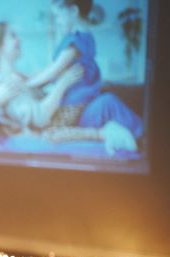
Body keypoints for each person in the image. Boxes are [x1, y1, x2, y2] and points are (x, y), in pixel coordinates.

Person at [26, 0, 142, 152]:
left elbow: (53, 71)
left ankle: (143, 135)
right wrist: (28, 79)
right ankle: (142, 134)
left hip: (76, 107)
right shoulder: (82, 38)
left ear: (74, 11)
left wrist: (26, 85)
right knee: (108, 102)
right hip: (78, 108)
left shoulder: (76, 41)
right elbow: (50, 69)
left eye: (59, 16)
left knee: (108, 102)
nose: (57, 21)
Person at [0, 22, 84, 133]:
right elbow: (40, 118)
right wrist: (63, 83)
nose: (19, 39)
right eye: (13, 36)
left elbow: (39, 80)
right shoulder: (3, 84)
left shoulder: (16, 76)